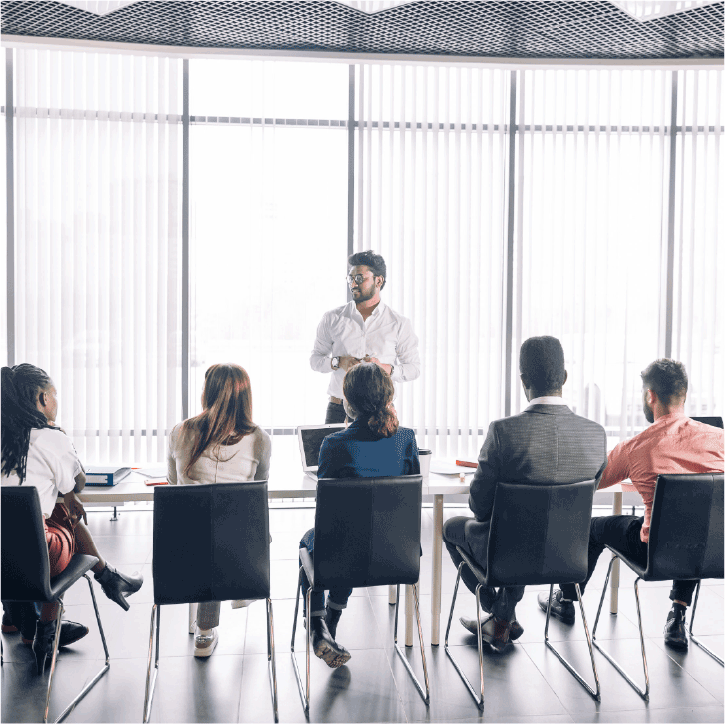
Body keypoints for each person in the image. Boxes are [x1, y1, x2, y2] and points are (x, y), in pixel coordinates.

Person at [541, 359, 724, 650]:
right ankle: (677, 613)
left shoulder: (636, 447)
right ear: (684, 396)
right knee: (696, 526)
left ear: (650, 396)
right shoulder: (720, 439)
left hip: (654, 552)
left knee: (594, 528)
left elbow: (591, 482)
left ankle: (565, 601)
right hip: (717, 551)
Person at [443, 336, 608, 652]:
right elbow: (587, 495)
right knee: (522, 532)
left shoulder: (504, 432)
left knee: (452, 529)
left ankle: (499, 613)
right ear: (564, 378)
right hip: (568, 557)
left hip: (508, 556)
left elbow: (478, 507)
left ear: (523, 382)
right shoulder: (595, 434)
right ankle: (501, 616)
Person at [1, 364, 143, 673]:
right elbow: (76, 483)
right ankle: (48, 628)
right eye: (54, 395)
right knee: (62, 517)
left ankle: (14, 619)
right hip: (35, 559)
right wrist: (61, 437)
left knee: (14, 529)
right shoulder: (50, 438)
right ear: (42, 399)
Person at [298, 362, 420, 668]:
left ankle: (318, 626)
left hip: (344, 555)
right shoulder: (406, 439)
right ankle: (331, 623)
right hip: (399, 555)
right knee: (354, 535)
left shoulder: (334, 444)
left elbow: (326, 510)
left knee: (315, 540)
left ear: (348, 402)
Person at [167, 363, 271, 658]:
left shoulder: (179, 432)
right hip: (239, 556)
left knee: (204, 532)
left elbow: (174, 486)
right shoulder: (260, 440)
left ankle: (203, 630)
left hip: (182, 552)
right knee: (228, 531)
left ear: (207, 393)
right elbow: (258, 493)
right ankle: (208, 625)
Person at [310, 249, 420, 424]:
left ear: (378, 281)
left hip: (381, 411)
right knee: (329, 452)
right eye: (351, 278)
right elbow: (315, 360)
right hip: (339, 410)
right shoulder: (332, 318)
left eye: (359, 278)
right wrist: (338, 362)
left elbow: (413, 368)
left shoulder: (399, 323)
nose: (353, 283)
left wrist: (384, 368)